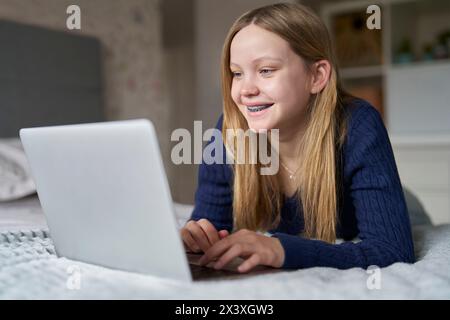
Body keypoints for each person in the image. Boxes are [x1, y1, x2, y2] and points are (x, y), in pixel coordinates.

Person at [180, 3, 415, 273]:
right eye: (237, 73)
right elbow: (209, 226)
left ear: (316, 76)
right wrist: (197, 237)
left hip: (391, 199)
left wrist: (282, 249)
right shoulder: (230, 131)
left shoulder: (359, 126)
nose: (245, 90)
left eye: (266, 70)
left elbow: (391, 249)